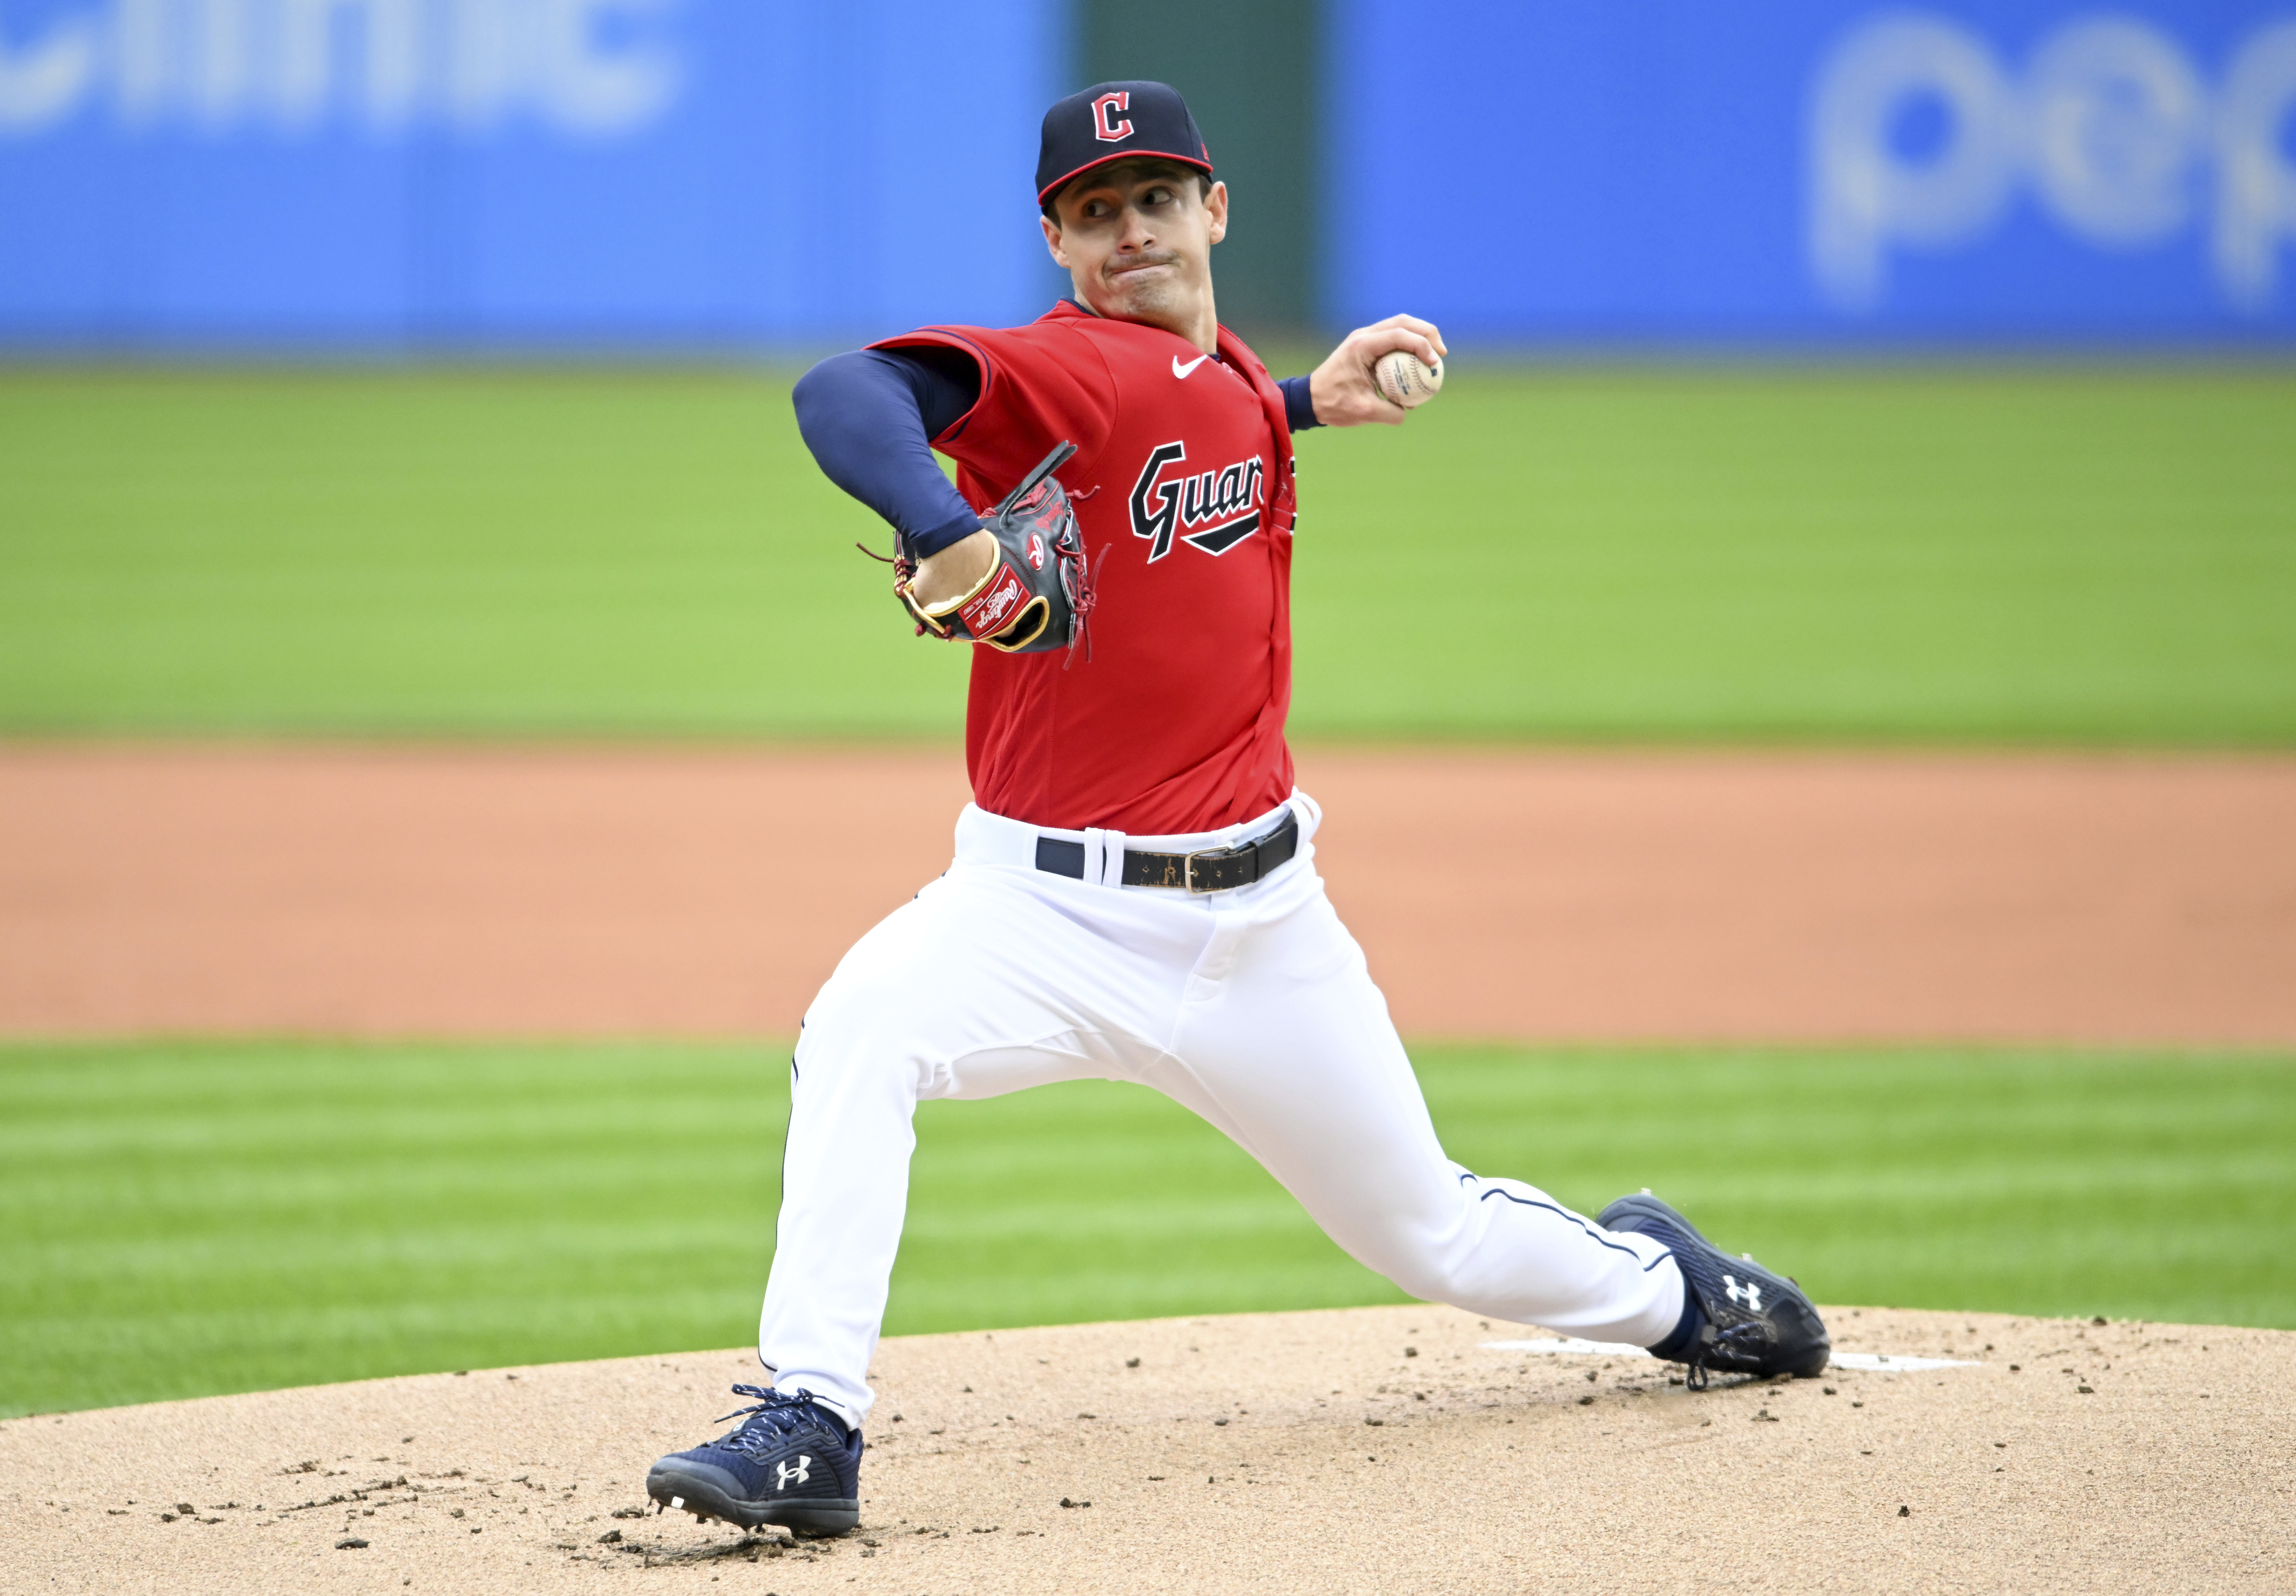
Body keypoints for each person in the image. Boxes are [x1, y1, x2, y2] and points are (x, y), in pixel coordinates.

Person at [644, 81, 1828, 1536]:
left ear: (1214, 209)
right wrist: (949, 524)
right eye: (1094, 213)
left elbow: (1203, 428)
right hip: (1040, 910)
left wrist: (1304, 402)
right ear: (1058, 243)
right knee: (860, 1029)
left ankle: (1674, 1290)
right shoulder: (1063, 373)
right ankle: (811, 1418)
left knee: (1431, 1234)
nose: (1128, 232)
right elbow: (846, 393)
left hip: (1266, 927)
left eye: (1154, 199)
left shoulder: (1223, 381)